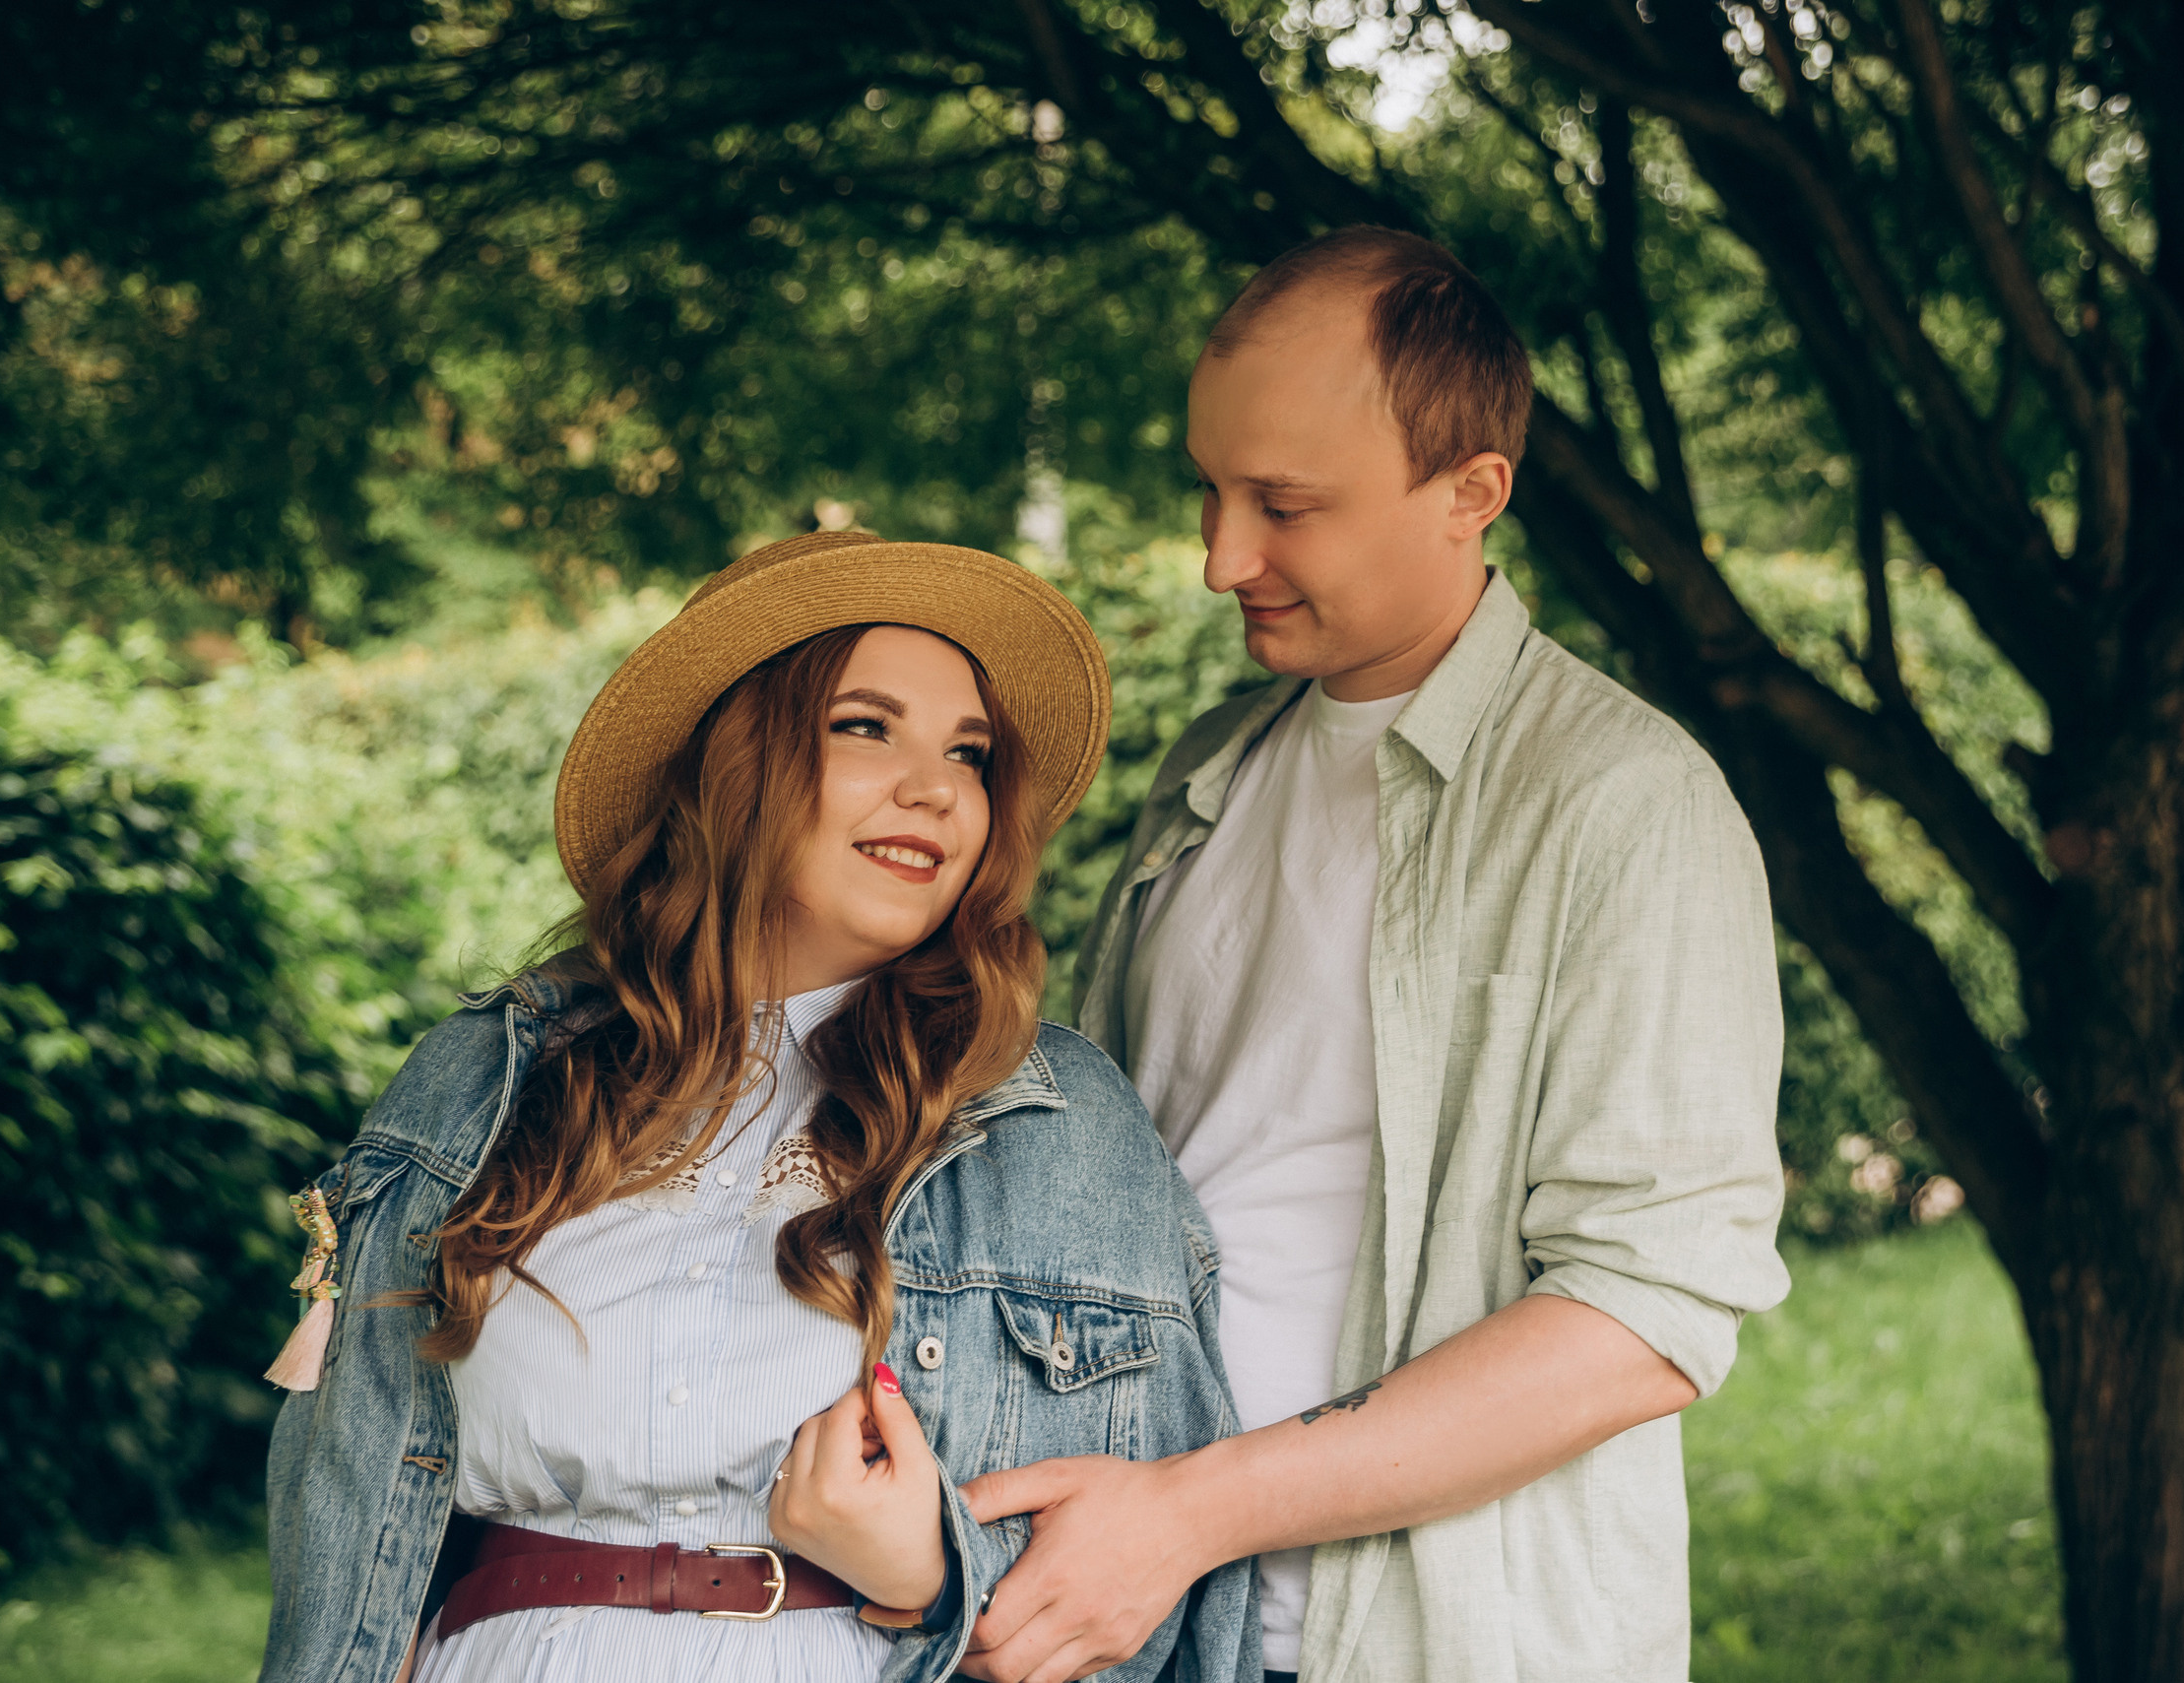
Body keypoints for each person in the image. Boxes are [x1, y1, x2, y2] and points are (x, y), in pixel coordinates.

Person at [953, 228, 1790, 1683]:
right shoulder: (1208, 772)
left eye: (1284, 504)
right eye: (1209, 493)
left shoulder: (1627, 803)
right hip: (1131, 1626)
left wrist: (1190, 1512)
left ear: (1472, 495)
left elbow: (1642, 1314)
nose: (1224, 559)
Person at [256, 531, 1261, 1683]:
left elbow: (1153, 1613)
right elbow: (347, 1526)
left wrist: (934, 1575)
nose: (935, 788)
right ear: (733, 761)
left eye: (969, 753)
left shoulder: (1053, 1117)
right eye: (864, 726)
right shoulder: (486, 1078)